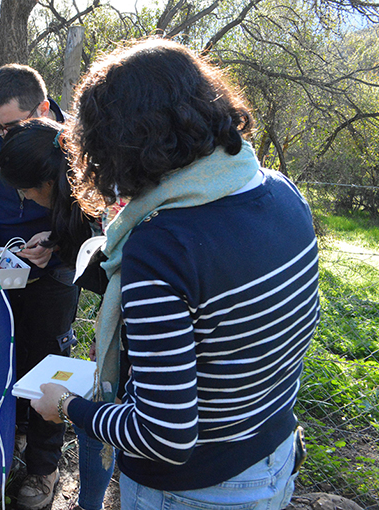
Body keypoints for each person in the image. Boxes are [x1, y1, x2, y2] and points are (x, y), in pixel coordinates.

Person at [31, 38, 319, 510]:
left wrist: (67, 406)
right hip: (274, 453)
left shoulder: (160, 250)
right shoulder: (283, 194)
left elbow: (164, 435)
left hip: (196, 490)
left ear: (117, 142)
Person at [0, 64, 78, 510]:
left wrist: (58, 243)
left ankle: (44, 468)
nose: (1, 135)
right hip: (2, 265)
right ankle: (5, 444)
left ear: (44, 110)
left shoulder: (74, 145)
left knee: (47, 360)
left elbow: (92, 215)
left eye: (13, 126)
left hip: (56, 268)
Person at [0, 117, 115, 510]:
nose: (26, 201)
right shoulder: (79, 193)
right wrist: (54, 242)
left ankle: (88, 500)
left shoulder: (108, 202)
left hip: (129, 316)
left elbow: (113, 268)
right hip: (118, 308)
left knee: (104, 402)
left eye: (25, 192)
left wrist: (66, 404)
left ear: (48, 184)